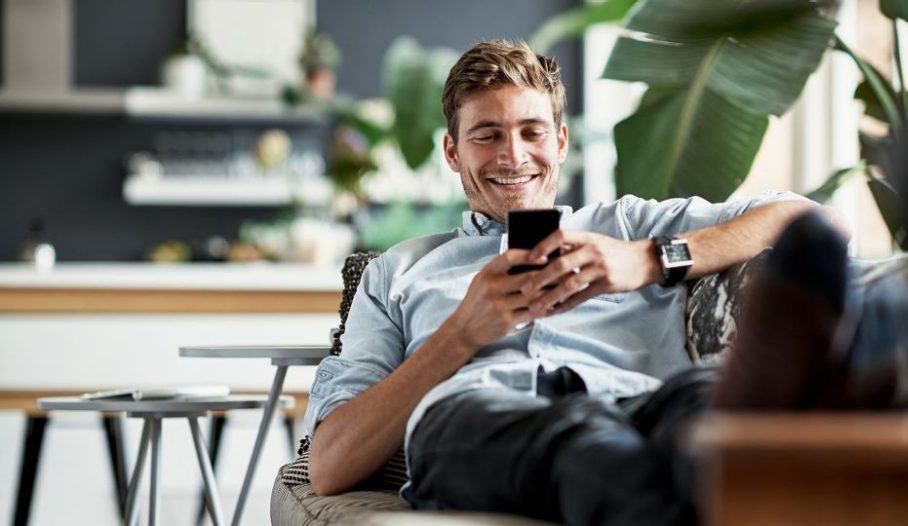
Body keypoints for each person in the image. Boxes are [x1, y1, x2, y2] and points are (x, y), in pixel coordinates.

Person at [302, 40, 864, 525]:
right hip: (476, 417)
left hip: (640, 401)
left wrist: (650, 260)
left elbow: (816, 224)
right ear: (453, 151)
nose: (513, 155)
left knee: (703, 404)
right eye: (487, 135)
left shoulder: (629, 226)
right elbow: (329, 465)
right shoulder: (396, 272)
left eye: (531, 132)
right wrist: (459, 336)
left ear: (562, 142)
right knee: (589, 450)